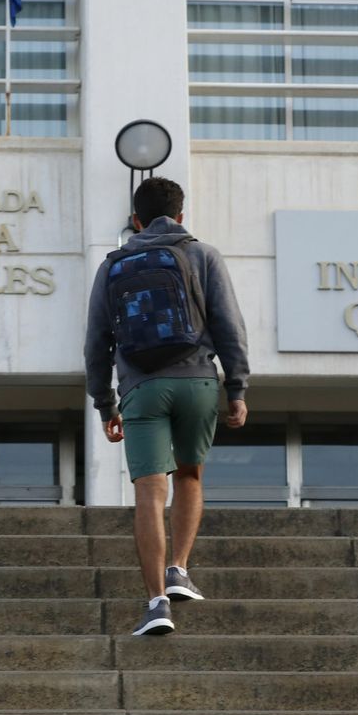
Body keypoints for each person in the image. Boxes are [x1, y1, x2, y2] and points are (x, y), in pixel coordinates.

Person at [84, 176, 250, 635]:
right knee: (189, 474)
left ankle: (157, 602)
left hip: (141, 387)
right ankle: (179, 567)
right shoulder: (202, 255)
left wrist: (104, 404)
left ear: (135, 220)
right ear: (181, 216)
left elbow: (96, 341)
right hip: (197, 381)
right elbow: (230, 325)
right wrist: (236, 389)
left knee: (149, 492)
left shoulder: (113, 265)